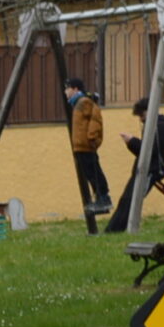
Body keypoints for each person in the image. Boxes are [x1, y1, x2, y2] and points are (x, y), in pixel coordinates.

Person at [108, 97, 164, 230]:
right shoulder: (161, 126)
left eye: (141, 115)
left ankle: (115, 229)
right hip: (149, 169)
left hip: (150, 170)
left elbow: (148, 151)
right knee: (129, 200)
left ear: (149, 111)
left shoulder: (159, 127)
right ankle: (115, 229)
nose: (140, 119)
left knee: (130, 200)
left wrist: (131, 141)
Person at [64, 77, 112, 232]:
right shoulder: (77, 104)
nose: (66, 91)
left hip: (86, 146)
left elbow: (95, 118)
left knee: (94, 172)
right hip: (81, 147)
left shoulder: (84, 102)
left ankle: (103, 198)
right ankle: (99, 198)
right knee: (90, 173)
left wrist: (91, 138)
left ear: (75, 89)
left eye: (68, 88)